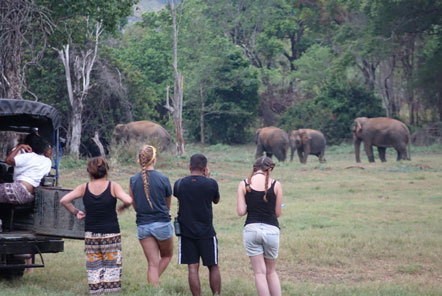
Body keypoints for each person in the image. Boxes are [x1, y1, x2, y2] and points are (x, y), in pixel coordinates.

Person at [60, 157, 132, 294]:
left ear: (89, 172)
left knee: (94, 268)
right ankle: (110, 292)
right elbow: (128, 199)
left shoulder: (84, 188)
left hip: (91, 235)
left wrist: (76, 212)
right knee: (111, 268)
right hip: (111, 234)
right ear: (106, 171)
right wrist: (123, 207)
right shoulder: (113, 186)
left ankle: (96, 292)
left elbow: (64, 200)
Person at [173, 154, 221, 296]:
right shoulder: (211, 183)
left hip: (187, 232)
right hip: (206, 231)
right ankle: (216, 294)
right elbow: (216, 200)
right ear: (205, 168)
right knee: (213, 266)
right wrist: (207, 178)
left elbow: (177, 195)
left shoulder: (179, 184)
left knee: (192, 267)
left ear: (189, 167)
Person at [236, 156, 283, 296]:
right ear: (270, 169)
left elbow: (241, 212)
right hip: (271, 230)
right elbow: (277, 213)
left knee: (259, 273)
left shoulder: (244, 184)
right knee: (271, 271)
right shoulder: (276, 185)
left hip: (251, 229)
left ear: (254, 168)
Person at [129, 145, 173, 286]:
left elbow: (133, 203)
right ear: (154, 159)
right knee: (166, 256)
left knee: (152, 264)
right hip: (162, 223)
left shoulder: (133, 180)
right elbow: (168, 204)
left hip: (143, 224)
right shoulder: (164, 178)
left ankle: (152, 287)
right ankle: (152, 285)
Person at [0, 133, 52, 204]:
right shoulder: (47, 161)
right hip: (30, 196)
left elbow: (8, 160)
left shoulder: (29, 156)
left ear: (28, 145)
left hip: (20, 190)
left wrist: (20, 146)